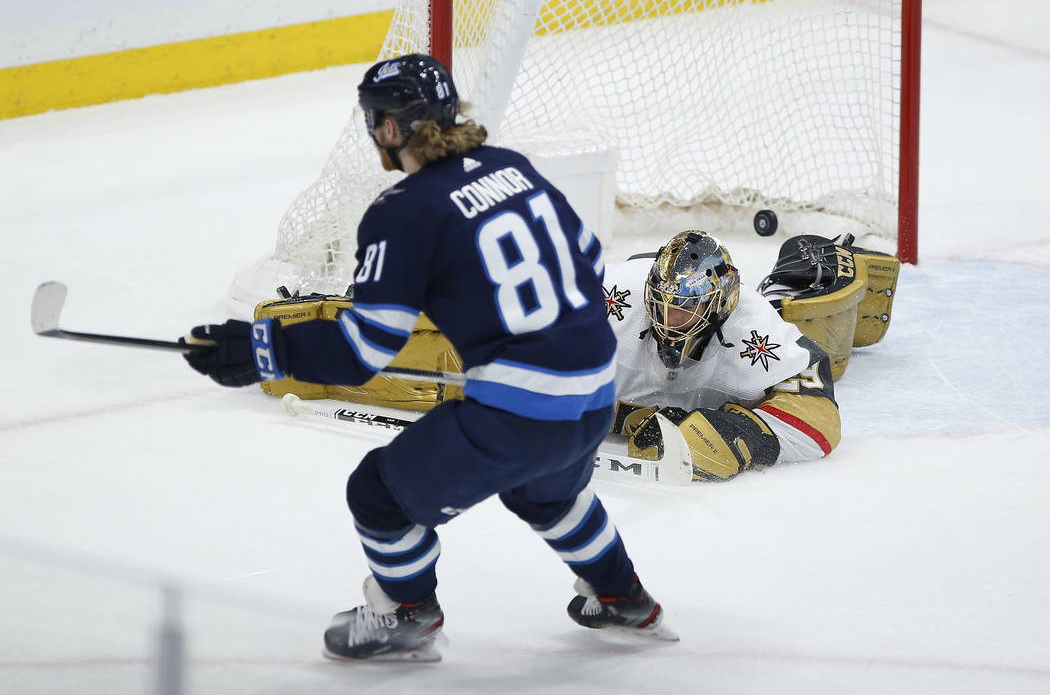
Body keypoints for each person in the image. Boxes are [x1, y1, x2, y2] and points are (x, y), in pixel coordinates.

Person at [181, 53, 675, 661]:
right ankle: (624, 597)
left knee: (378, 494)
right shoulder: (510, 166)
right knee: (547, 495)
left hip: (522, 413)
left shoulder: (402, 213)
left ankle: (406, 616)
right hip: (597, 390)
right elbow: (588, 260)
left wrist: (264, 347)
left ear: (388, 128)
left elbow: (363, 350)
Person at [603, 230, 842, 481]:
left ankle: (797, 286)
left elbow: (822, 421)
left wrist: (736, 433)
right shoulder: (614, 292)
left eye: (687, 306)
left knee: (802, 319)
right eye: (661, 302)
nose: (669, 320)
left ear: (719, 304)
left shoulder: (754, 327)